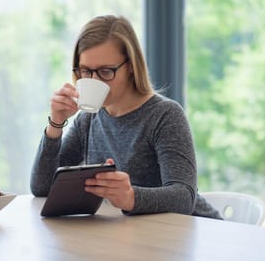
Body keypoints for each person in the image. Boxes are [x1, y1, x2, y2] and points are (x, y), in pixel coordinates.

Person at [30, 15, 220, 218]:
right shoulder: (88, 120)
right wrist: (56, 124)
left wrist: (131, 197)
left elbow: (184, 198)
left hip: (196, 232)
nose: (94, 80)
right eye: (85, 71)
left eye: (105, 71)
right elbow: (42, 187)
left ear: (130, 66)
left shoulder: (164, 115)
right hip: (138, 238)